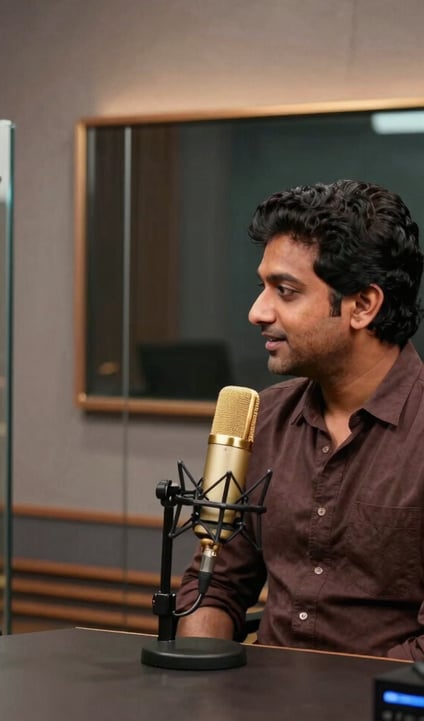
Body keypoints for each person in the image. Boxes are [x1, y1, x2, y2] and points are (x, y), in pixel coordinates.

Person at [176, 179, 424, 660]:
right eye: (262, 287)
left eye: (285, 291)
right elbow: (218, 583)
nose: (257, 311)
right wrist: (197, 689)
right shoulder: (265, 416)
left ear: (363, 305)